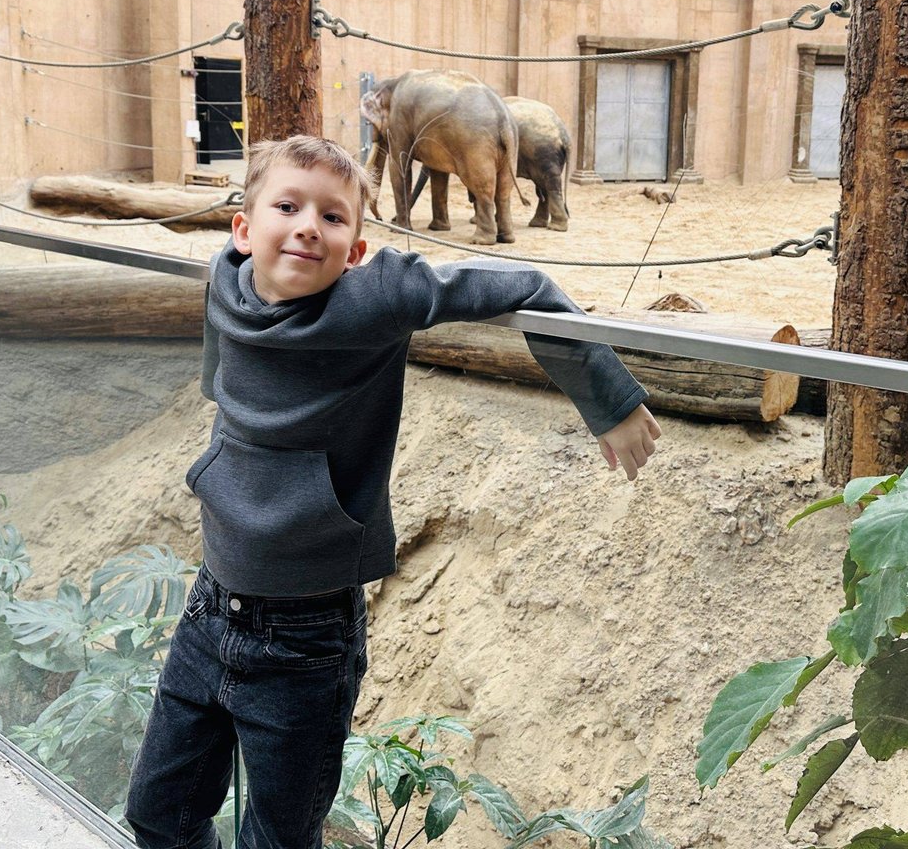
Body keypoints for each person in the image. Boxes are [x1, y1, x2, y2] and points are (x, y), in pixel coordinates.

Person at [122, 135, 659, 849]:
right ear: (244, 232)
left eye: (333, 216)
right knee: (159, 815)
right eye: (288, 206)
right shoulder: (226, 278)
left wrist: (609, 399)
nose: (310, 224)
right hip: (208, 609)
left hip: (306, 639)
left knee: (277, 842)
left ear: (356, 250)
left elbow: (526, 287)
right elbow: (220, 375)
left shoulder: (378, 295)